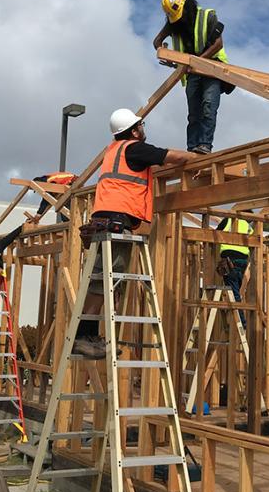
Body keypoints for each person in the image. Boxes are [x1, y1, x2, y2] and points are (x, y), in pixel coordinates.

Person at [73, 108, 197, 358]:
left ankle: (86, 334)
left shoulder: (113, 151)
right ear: (133, 130)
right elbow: (171, 156)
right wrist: (196, 157)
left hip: (104, 219)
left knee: (100, 279)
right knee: (104, 282)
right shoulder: (134, 148)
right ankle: (83, 337)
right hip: (116, 222)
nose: (143, 128)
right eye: (140, 125)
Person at [152, 0, 231, 154]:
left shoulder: (206, 17)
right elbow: (157, 40)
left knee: (209, 106)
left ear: (186, 7)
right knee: (194, 113)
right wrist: (163, 50)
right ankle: (192, 148)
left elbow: (218, 44)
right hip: (192, 73)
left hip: (212, 69)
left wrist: (198, 61)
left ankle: (205, 145)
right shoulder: (174, 24)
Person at [215, 213, 255, 325]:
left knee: (234, 291)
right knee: (237, 287)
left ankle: (241, 321)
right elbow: (253, 239)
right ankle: (240, 319)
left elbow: (215, 233)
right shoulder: (247, 225)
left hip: (230, 260)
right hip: (242, 261)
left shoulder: (227, 220)